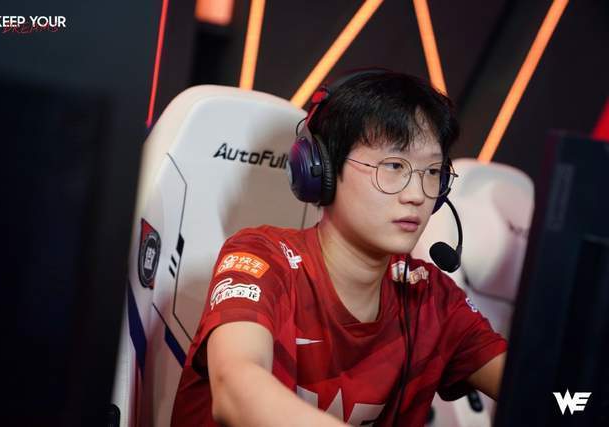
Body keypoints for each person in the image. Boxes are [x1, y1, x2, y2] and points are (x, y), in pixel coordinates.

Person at [171, 69, 507, 427]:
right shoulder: (262, 259)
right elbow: (236, 392)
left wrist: (563, 396)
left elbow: (537, 391)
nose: (416, 195)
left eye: (432, 172)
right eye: (394, 166)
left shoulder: (432, 298)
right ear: (322, 169)